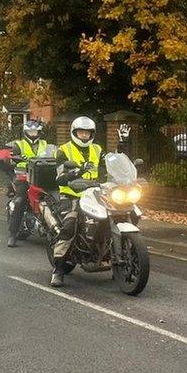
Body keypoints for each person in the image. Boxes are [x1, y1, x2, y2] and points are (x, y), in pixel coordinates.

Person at [48, 117, 133, 287]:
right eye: (81, 132)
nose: (84, 136)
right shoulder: (63, 151)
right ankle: (58, 270)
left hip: (95, 191)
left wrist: (123, 145)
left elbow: (113, 162)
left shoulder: (97, 149)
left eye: (87, 133)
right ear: (74, 132)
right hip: (71, 194)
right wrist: (77, 172)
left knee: (126, 210)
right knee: (70, 226)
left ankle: (117, 255)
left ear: (92, 134)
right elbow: (59, 178)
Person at [4, 119, 47, 248]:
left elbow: (54, 156)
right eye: (30, 131)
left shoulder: (46, 144)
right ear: (26, 132)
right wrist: (16, 159)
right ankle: (13, 234)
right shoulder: (19, 145)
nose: (33, 134)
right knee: (20, 201)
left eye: (35, 131)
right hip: (23, 178)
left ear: (39, 132)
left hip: (42, 177)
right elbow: (12, 159)